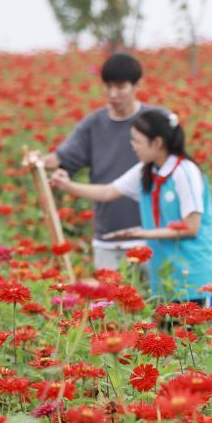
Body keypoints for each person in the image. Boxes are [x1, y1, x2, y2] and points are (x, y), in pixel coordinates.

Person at [51, 108, 212, 306]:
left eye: (137, 141)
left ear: (157, 143)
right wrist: (67, 185)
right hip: (166, 276)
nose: (133, 147)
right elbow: (108, 192)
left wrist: (142, 233)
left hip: (196, 277)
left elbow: (191, 227)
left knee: (198, 334)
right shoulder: (147, 170)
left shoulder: (185, 171)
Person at [29, 53, 158, 271]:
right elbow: (62, 157)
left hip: (151, 236)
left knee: (156, 303)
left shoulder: (155, 120)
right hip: (107, 238)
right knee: (107, 302)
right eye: (107, 87)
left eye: (120, 87)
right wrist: (38, 160)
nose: (112, 94)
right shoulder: (94, 124)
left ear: (137, 85)